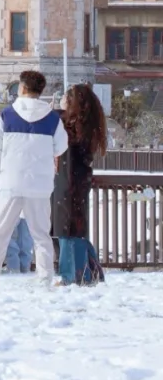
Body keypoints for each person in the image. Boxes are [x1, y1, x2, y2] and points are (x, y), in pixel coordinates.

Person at [0, 70, 68, 286]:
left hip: (10, 183)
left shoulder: (7, 116)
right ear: (40, 90)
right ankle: (45, 278)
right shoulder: (52, 118)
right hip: (39, 185)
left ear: (22, 88)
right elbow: (61, 146)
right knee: (41, 236)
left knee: (0, 234)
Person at [53, 83, 107, 285]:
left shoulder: (70, 126)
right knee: (77, 229)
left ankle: (72, 276)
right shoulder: (87, 125)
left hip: (69, 180)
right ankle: (89, 272)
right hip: (79, 180)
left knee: (66, 229)